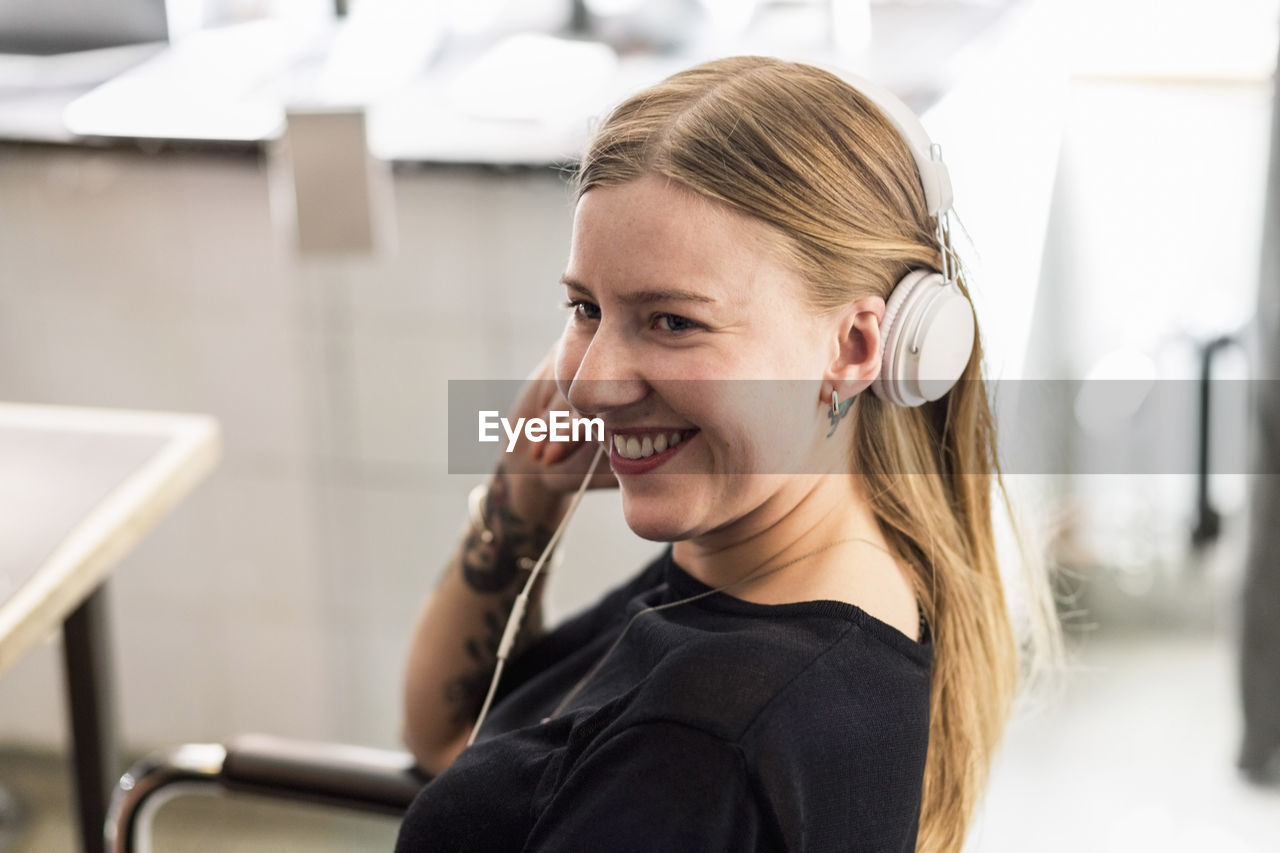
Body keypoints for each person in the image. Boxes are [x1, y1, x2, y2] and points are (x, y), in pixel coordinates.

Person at [397, 56, 1057, 852]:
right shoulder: (757, 568)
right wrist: (525, 495)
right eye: (585, 307)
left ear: (852, 346)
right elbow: (451, 733)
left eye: (672, 321)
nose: (591, 384)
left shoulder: (698, 752)